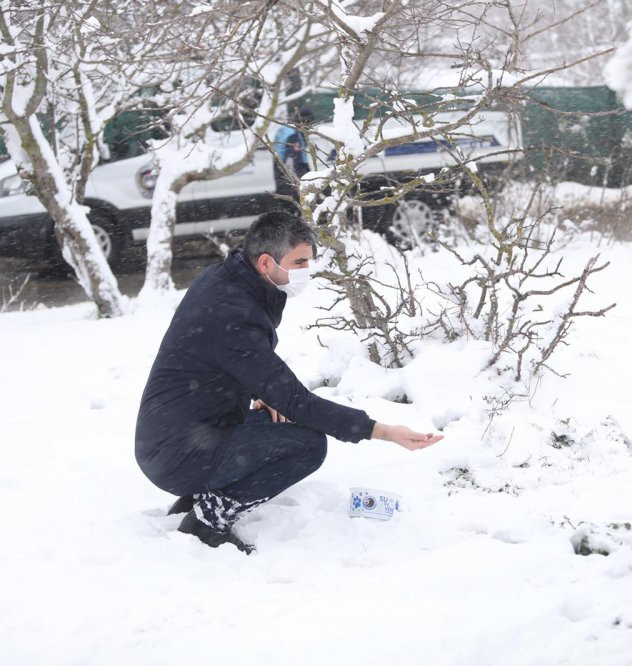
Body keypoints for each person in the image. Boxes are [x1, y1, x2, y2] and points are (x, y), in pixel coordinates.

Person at [135, 210, 443, 554]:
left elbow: (222, 359)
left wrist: (262, 391)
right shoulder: (232, 312)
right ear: (266, 263)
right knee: (308, 445)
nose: (307, 270)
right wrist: (382, 431)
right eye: (299, 262)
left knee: (279, 420)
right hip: (176, 453)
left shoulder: (232, 281)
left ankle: (203, 493)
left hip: (179, 433)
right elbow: (299, 402)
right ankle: (207, 520)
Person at [272, 106, 314, 211]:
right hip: (291, 183)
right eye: (309, 124)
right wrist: (302, 183)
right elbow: (293, 161)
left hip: (281, 177)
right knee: (297, 212)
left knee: (287, 210)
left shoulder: (286, 129)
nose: (311, 128)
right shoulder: (294, 135)